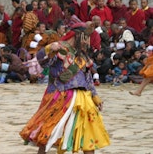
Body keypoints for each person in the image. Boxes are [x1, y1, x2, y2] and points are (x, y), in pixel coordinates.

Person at [20, 22, 110, 154]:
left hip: (83, 100)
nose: (88, 41)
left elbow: (88, 78)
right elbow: (42, 62)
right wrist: (50, 49)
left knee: (88, 135)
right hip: (60, 96)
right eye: (85, 37)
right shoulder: (59, 48)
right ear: (78, 35)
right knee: (48, 132)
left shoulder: (83, 55)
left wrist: (95, 96)